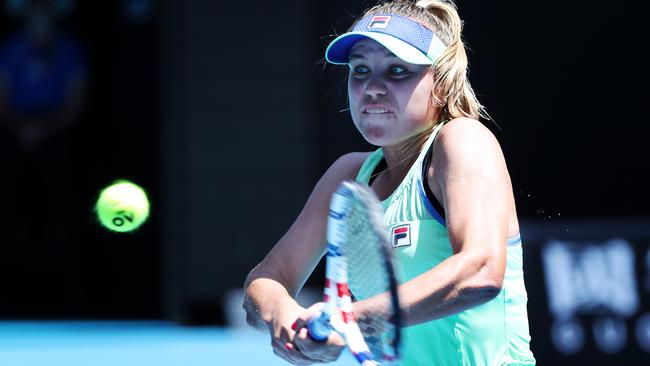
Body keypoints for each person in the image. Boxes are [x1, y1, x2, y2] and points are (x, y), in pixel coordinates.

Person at [243, 0, 535, 365]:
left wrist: (351, 320)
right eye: (360, 69)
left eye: (397, 70)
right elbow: (269, 277)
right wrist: (284, 317)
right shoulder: (347, 176)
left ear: (442, 84)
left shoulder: (463, 141)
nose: (373, 87)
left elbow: (480, 270)